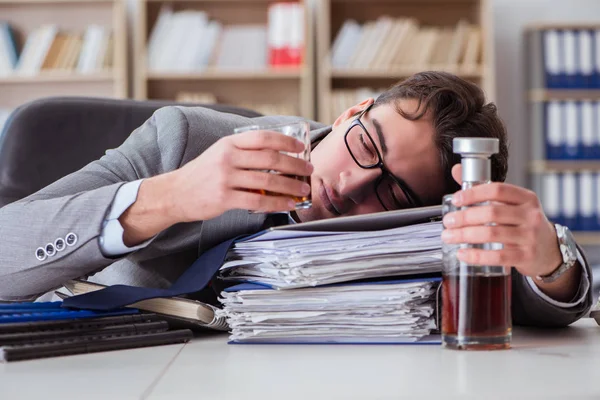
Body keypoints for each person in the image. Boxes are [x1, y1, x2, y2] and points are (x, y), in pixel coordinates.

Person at [0, 71, 592, 327]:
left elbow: (543, 300)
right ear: (349, 113)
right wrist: (169, 196)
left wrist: (550, 263)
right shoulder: (181, 138)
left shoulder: (413, 230)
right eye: (366, 144)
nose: (353, 186)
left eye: (390, 191)